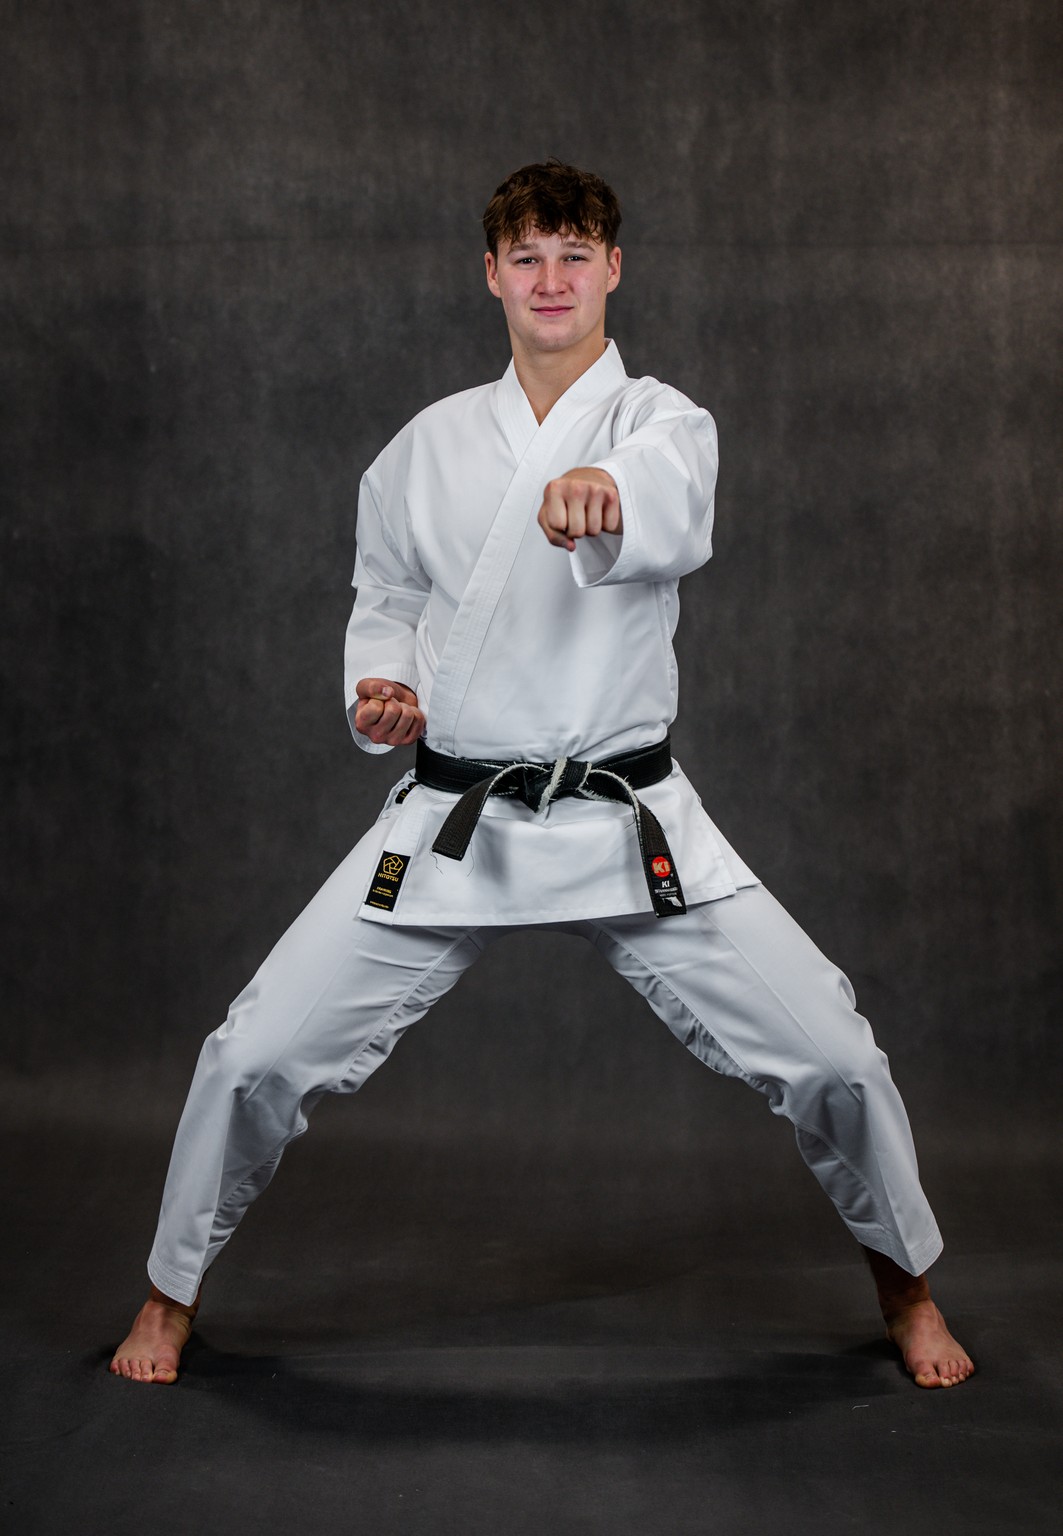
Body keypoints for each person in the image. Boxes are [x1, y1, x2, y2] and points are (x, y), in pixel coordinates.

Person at [111, 160, 973, 1390]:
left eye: (575, 255)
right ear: (492, 276)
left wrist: (601, 493)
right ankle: (169, 1291)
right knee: (250, 1055)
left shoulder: (661, 424)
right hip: (456, 816)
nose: (552, 279)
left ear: (613, 268)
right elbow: (385, 596)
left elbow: (667, 501)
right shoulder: (423, 447)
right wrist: (381, 689)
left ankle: (907, 1286)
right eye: (527, 257)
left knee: (835, 1058)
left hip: (624, 817)